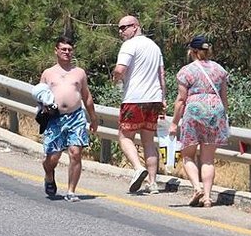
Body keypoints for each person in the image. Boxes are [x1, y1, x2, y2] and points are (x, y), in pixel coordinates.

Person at [169, 35, 229, 208]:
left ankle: (196, 188)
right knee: (208, 159)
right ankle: (208, 197)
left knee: (188, 155)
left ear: (192, 51)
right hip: (215, 111)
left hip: (194, 109)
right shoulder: (219, 70)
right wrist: (222, 117)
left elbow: (181, 100)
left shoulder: (186, 71)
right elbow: (224, 98)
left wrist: (174, 123)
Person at [39, 36, 98, 202]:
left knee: (75, 153)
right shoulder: (48, 73)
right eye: (63, 49)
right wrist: (43, 106)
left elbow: (86, 96)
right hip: (55, 118)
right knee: (53, 158)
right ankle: (49, 174)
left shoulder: (79, 73)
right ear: (56, 50)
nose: (67, 52)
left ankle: (71, 191)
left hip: (76, 117)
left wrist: (93, 118)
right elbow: (40, 95)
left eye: (69, 50)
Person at [112, 15, 166, 194]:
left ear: (135, 27)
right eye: (119, 28)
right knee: (149, 141)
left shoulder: (129, 45)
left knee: (124, 135)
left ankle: (137, 168)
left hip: (134, 98)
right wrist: (163, 98)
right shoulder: (155, 47)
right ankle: (153, 183)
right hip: (154, 99)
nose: (121, 32)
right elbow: (161, 75)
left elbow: (120, 69)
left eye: (124, 27)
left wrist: (115, 78)